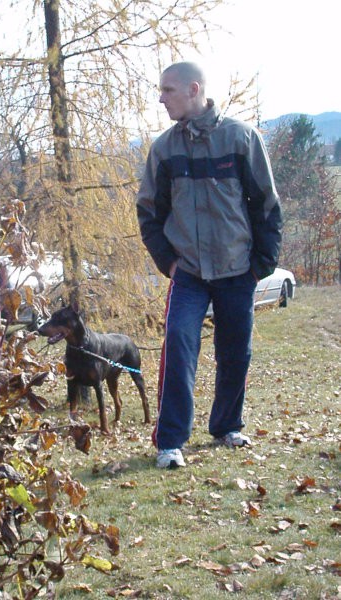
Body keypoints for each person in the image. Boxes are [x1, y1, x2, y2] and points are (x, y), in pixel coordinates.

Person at [137, 62, 282, 469]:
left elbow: (267, 206)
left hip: (238, 270)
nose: (161, 97)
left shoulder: (241, 138)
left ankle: (226, 426)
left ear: (193, 89)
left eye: (167, 89)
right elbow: (148, 212)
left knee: (236, 352)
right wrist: (169, 263)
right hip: (189, 275)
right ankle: (170, 444)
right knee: (179, 348)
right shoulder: (164, 149)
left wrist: (260, 265)